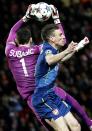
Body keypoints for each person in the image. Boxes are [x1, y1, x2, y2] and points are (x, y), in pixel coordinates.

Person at [5, 3, 92, 131]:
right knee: (68, 101)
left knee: (70, 126)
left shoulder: (9, 51)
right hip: (40, 92)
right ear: (30, 40)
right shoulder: (37, 50)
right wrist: (56, 18)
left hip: (31, 94)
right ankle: (89, 122)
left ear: (16, 41)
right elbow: (57, 46)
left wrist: (25, 17)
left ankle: (89, 123)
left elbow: (12, 31)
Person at [32, 20, 91, 130]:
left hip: (52, 94)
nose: (63, 36)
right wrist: (67, 50)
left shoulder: (53, 49)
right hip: (42, 98)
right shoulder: (47, 50)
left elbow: (61, 59)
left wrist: (78, 47)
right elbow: (49, 60)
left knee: (76, 126)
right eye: (60, 35)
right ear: (52, 39)